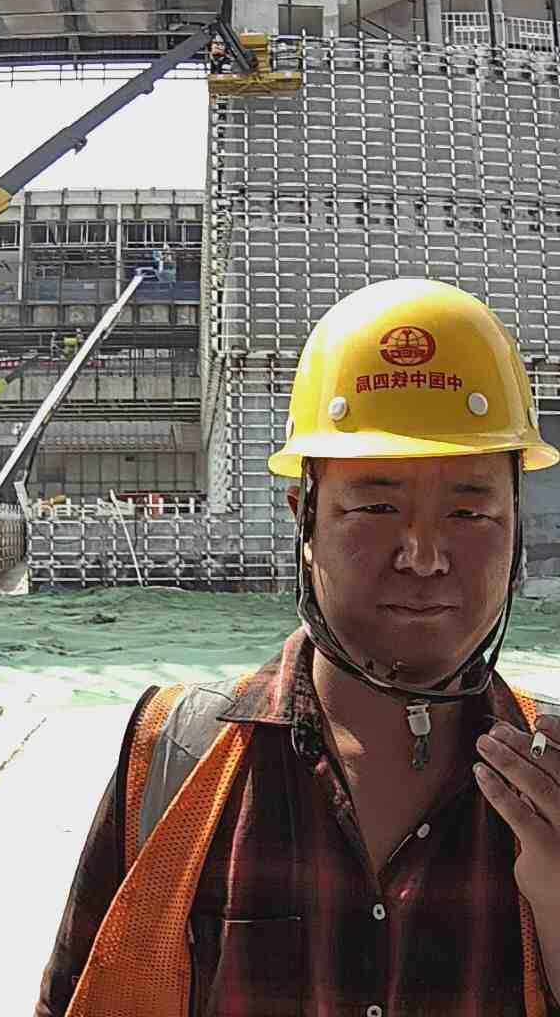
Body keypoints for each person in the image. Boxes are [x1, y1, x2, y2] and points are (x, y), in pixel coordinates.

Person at [35, 279, 560, 1017]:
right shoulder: (175, 764)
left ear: (517, 525)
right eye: (376, 506)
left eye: (470, 512)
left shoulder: (551, 783)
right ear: (303, 518)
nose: (423, 556)